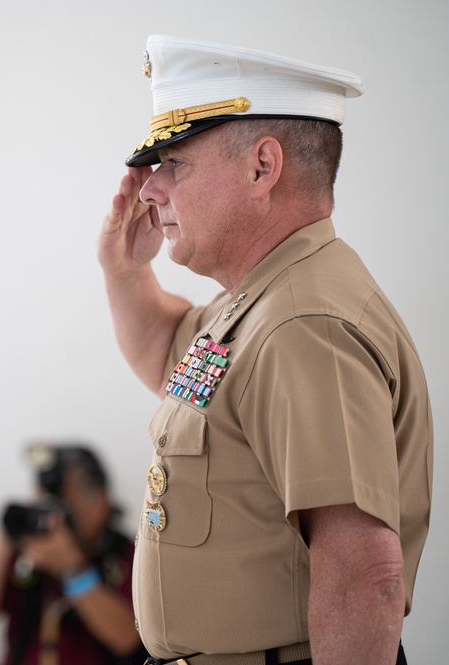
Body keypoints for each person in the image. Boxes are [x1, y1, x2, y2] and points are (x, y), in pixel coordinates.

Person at [97, 35, 433, 665]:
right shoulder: (261, 300)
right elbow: (167, 356)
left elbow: (365, 577)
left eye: (175, 163)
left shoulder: (303, 324)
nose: (151, 189)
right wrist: (125, 273)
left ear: (262, 167)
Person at [0, 443, 149, 665]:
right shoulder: (30, 551)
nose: (55, 517)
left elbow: (129, 641)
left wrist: (73, 570)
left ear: (100, 504)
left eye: (64, 504)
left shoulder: (130, 556)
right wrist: (6, 539)